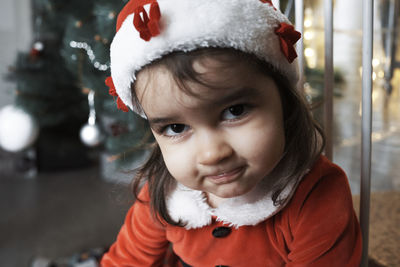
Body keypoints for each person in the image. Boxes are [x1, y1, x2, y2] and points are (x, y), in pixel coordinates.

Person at [101, 0, 362, 266]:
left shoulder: (317, 194)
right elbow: (126, 261)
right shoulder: (164, 191)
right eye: (176, 128)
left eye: (235, 111)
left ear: (284, 103)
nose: (212, 153)